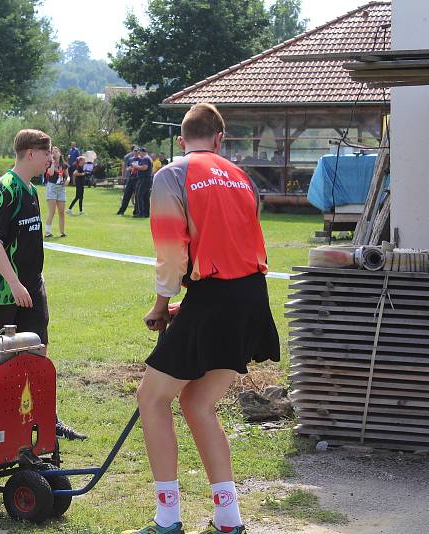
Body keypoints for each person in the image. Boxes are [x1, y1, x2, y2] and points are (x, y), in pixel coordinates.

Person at [122, 103, 279, 534]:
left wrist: (160, 305)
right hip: (249, 296)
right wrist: (189, 307)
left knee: (152, 399)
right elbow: (236, 246)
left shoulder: (171, 174)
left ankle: (167, 518)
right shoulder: (241, 176)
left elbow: (171, 253)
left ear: (181, 140)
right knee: (197, 402)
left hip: (214, 297)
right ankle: (229, 519)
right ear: (219, 139)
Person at [0, 128, 86, 441]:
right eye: (47, 153)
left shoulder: (30, 190)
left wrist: (33, 281)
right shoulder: (4, 188)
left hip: (31, 285)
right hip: (0, 291)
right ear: (31, 153)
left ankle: (44, 417)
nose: (51, 158)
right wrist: (14, 283)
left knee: (38, 348)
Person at [43, 146, 69, 238]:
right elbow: (50, 173)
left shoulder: (64, 164)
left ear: (60, 153)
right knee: (52, 211)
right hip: (52, 188)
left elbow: (67, 175)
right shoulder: (49, 163)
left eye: (56, 151)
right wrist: (53, 163)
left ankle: (62, 232)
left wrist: (68, 180)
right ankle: (47, 232)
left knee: (61, 212)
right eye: (53, 152)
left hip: (61, 188)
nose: (54, 153)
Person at [117, 146, 140, 215]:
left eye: (137, 151)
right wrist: (127, 170)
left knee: (137, 196)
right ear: (132, 152)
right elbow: (126, 167)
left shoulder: (141, 159)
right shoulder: (130, 159)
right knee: (126, 195)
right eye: (134, 151)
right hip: (130, 178)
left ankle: (136, 211)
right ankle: (121, 211)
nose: (136, 152)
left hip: (138, 179)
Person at [133, 147, 154, 218]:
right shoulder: (149, 158)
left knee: (139, 195)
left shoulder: (145, 158)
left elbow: (145, 167)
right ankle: (146, 213)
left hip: (144, 179)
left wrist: (136, 166)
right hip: (147, 179)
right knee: (145, 197)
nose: (139, 154)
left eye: (139, 152)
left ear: (143, 152)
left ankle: (141, 213)